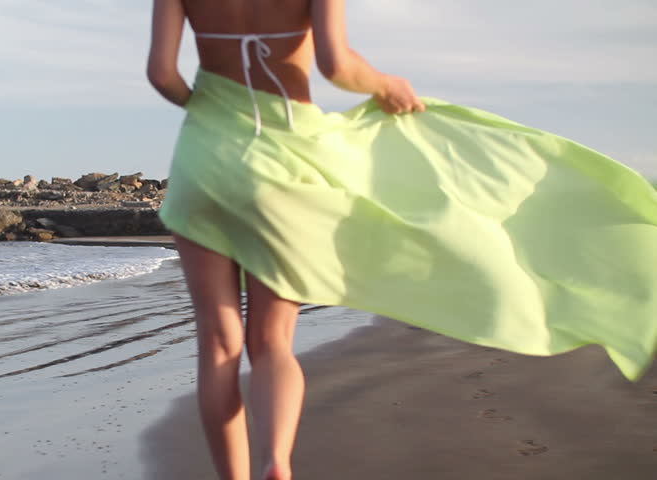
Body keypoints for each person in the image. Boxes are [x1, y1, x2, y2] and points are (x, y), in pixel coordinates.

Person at [147, 1, 657, 480]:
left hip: (203, 156)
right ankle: (276, 460)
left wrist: (208, 106)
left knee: (218, 342)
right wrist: (386, 84)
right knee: (271, 340)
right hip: (281, 166)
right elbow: (336, 64)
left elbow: (162, 74)